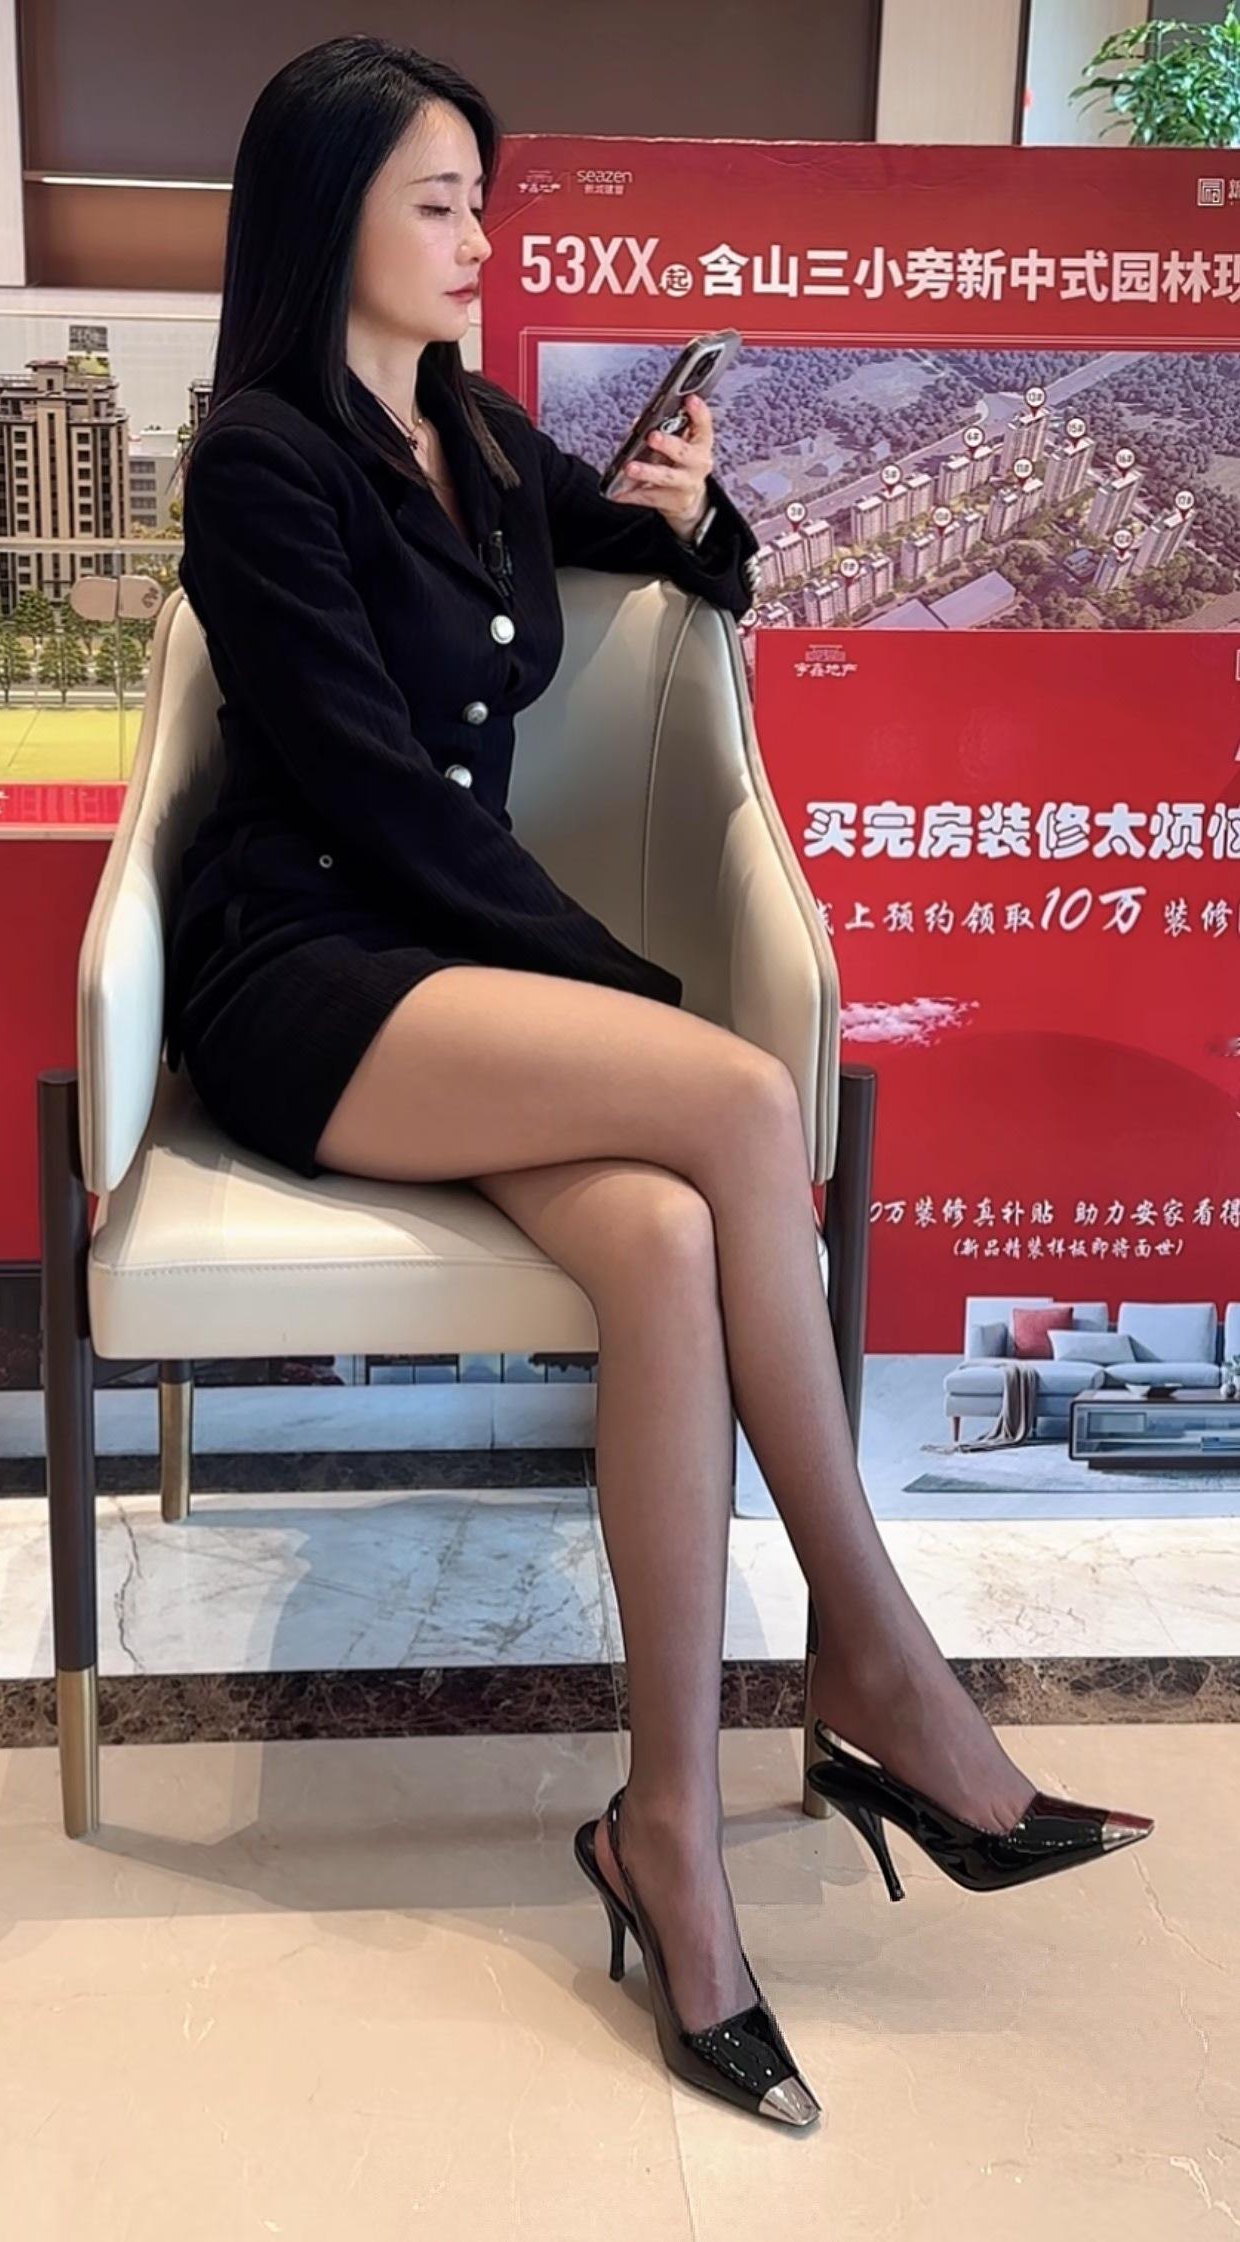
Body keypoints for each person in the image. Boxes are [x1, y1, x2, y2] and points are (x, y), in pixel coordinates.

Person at [165, 36, 1154, 2130]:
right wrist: (621, 992)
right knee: (736, 1100)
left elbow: (661, 559)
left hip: (450, 970)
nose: (478, 237)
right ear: (328, 212)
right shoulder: (262, 456)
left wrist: (693, 517)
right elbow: (369, 789)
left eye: (482, 197)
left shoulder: (466, 430)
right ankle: (878, 1655)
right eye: (437, 198)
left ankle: (669, 1833)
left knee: (671, 1243)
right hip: (312, 970)